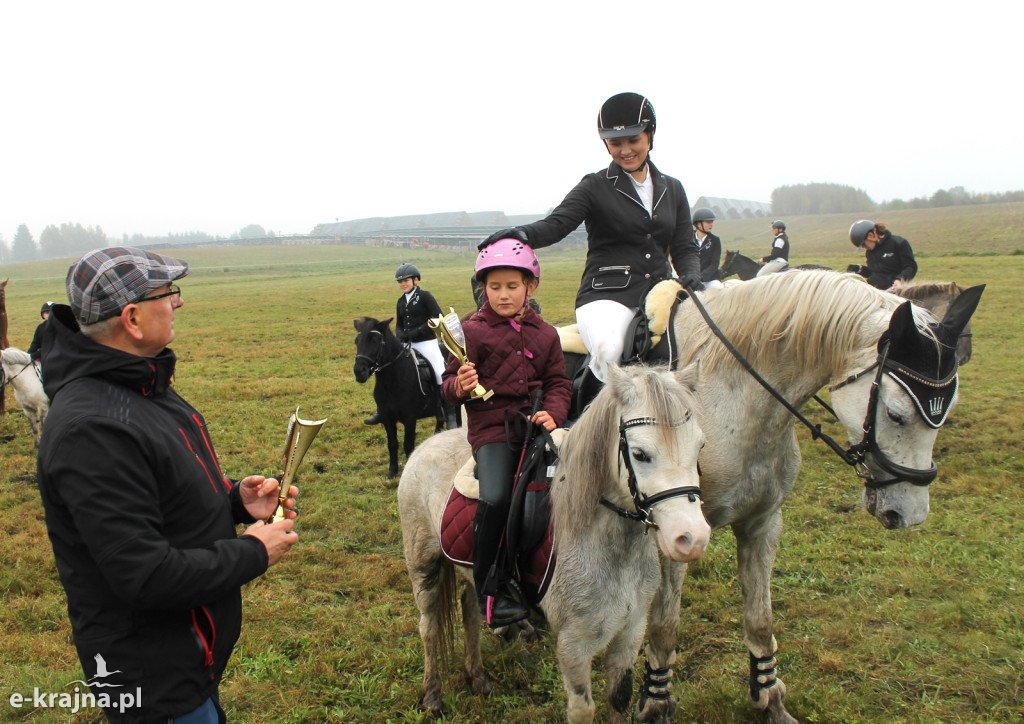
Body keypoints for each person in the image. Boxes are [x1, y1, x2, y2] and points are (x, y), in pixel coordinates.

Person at [36, 247, 299, 724]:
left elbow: (160, 499)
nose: (178, 303)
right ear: (132, 319)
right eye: (168, 293)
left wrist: (236, 502)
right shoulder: (91, 428)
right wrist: (253, 552)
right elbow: (145, 575)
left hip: (188, 660)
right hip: (154, 682)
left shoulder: (141, 384)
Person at [477, 92, 701, 382]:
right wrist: (522, 234)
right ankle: (590, 422)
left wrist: (693, 275)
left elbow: (684, 246)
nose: (625, 150)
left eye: (634, 140)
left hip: (662, 292)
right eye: (616, 143)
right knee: (610, 350)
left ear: (651, 134)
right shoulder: (594, 186)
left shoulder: (673, 188)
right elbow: (557, 224)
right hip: (608, 294)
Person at [441, 238, 571, 627]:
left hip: (537, 430)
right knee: (496, 497)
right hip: (492, 431)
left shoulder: (546, 334)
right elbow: (447, 388)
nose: (502, 295)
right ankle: (489, 590)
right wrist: (461, 385)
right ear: (483, 287)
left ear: (530, 287)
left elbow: (559, 383)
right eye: (493, 287)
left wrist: (554, 413)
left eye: (512, 286)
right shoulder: (471, 332)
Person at [364, 263, 456, 427]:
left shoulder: (425, 296)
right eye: (400, 282)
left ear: (415, 280)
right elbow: (399, 323)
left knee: (439, 372)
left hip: (427, 343)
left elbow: (438, 316)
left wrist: (417, 332)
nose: (402, 284)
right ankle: (382, 409)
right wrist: (399, 333)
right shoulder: (400, 301)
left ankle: (449, 414)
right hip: (406, 344)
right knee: (386, 370)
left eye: (405, 281)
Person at [847, 219, 918, 291]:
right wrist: (859, 269)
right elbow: (874, 273)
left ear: (871, 235)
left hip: (896, 292)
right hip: (876, 293)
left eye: (863, 244)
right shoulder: (870, 252)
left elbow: (910, 267)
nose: (863, 247)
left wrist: (900, 280)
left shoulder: (899, 243)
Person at [692, 207, 723, 289]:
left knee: (718, 289)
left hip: (710, 280)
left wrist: (700, 278)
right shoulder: (688, 240)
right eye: (708, 222)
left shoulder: (715, 240)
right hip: (692, 279)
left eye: (712, 222)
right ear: (698, 224)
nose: (711, 224)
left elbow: (714, 264)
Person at [27, 300, 54, 365]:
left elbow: (51, 346)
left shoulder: (60, 327)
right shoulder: (40, 327)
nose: (49, 315)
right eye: (47, 313)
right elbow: (35, 343)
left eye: (52, 313)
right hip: (42, 357)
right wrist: (28, 355)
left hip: (56, 357)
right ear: (43, 315)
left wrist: (35, 355)